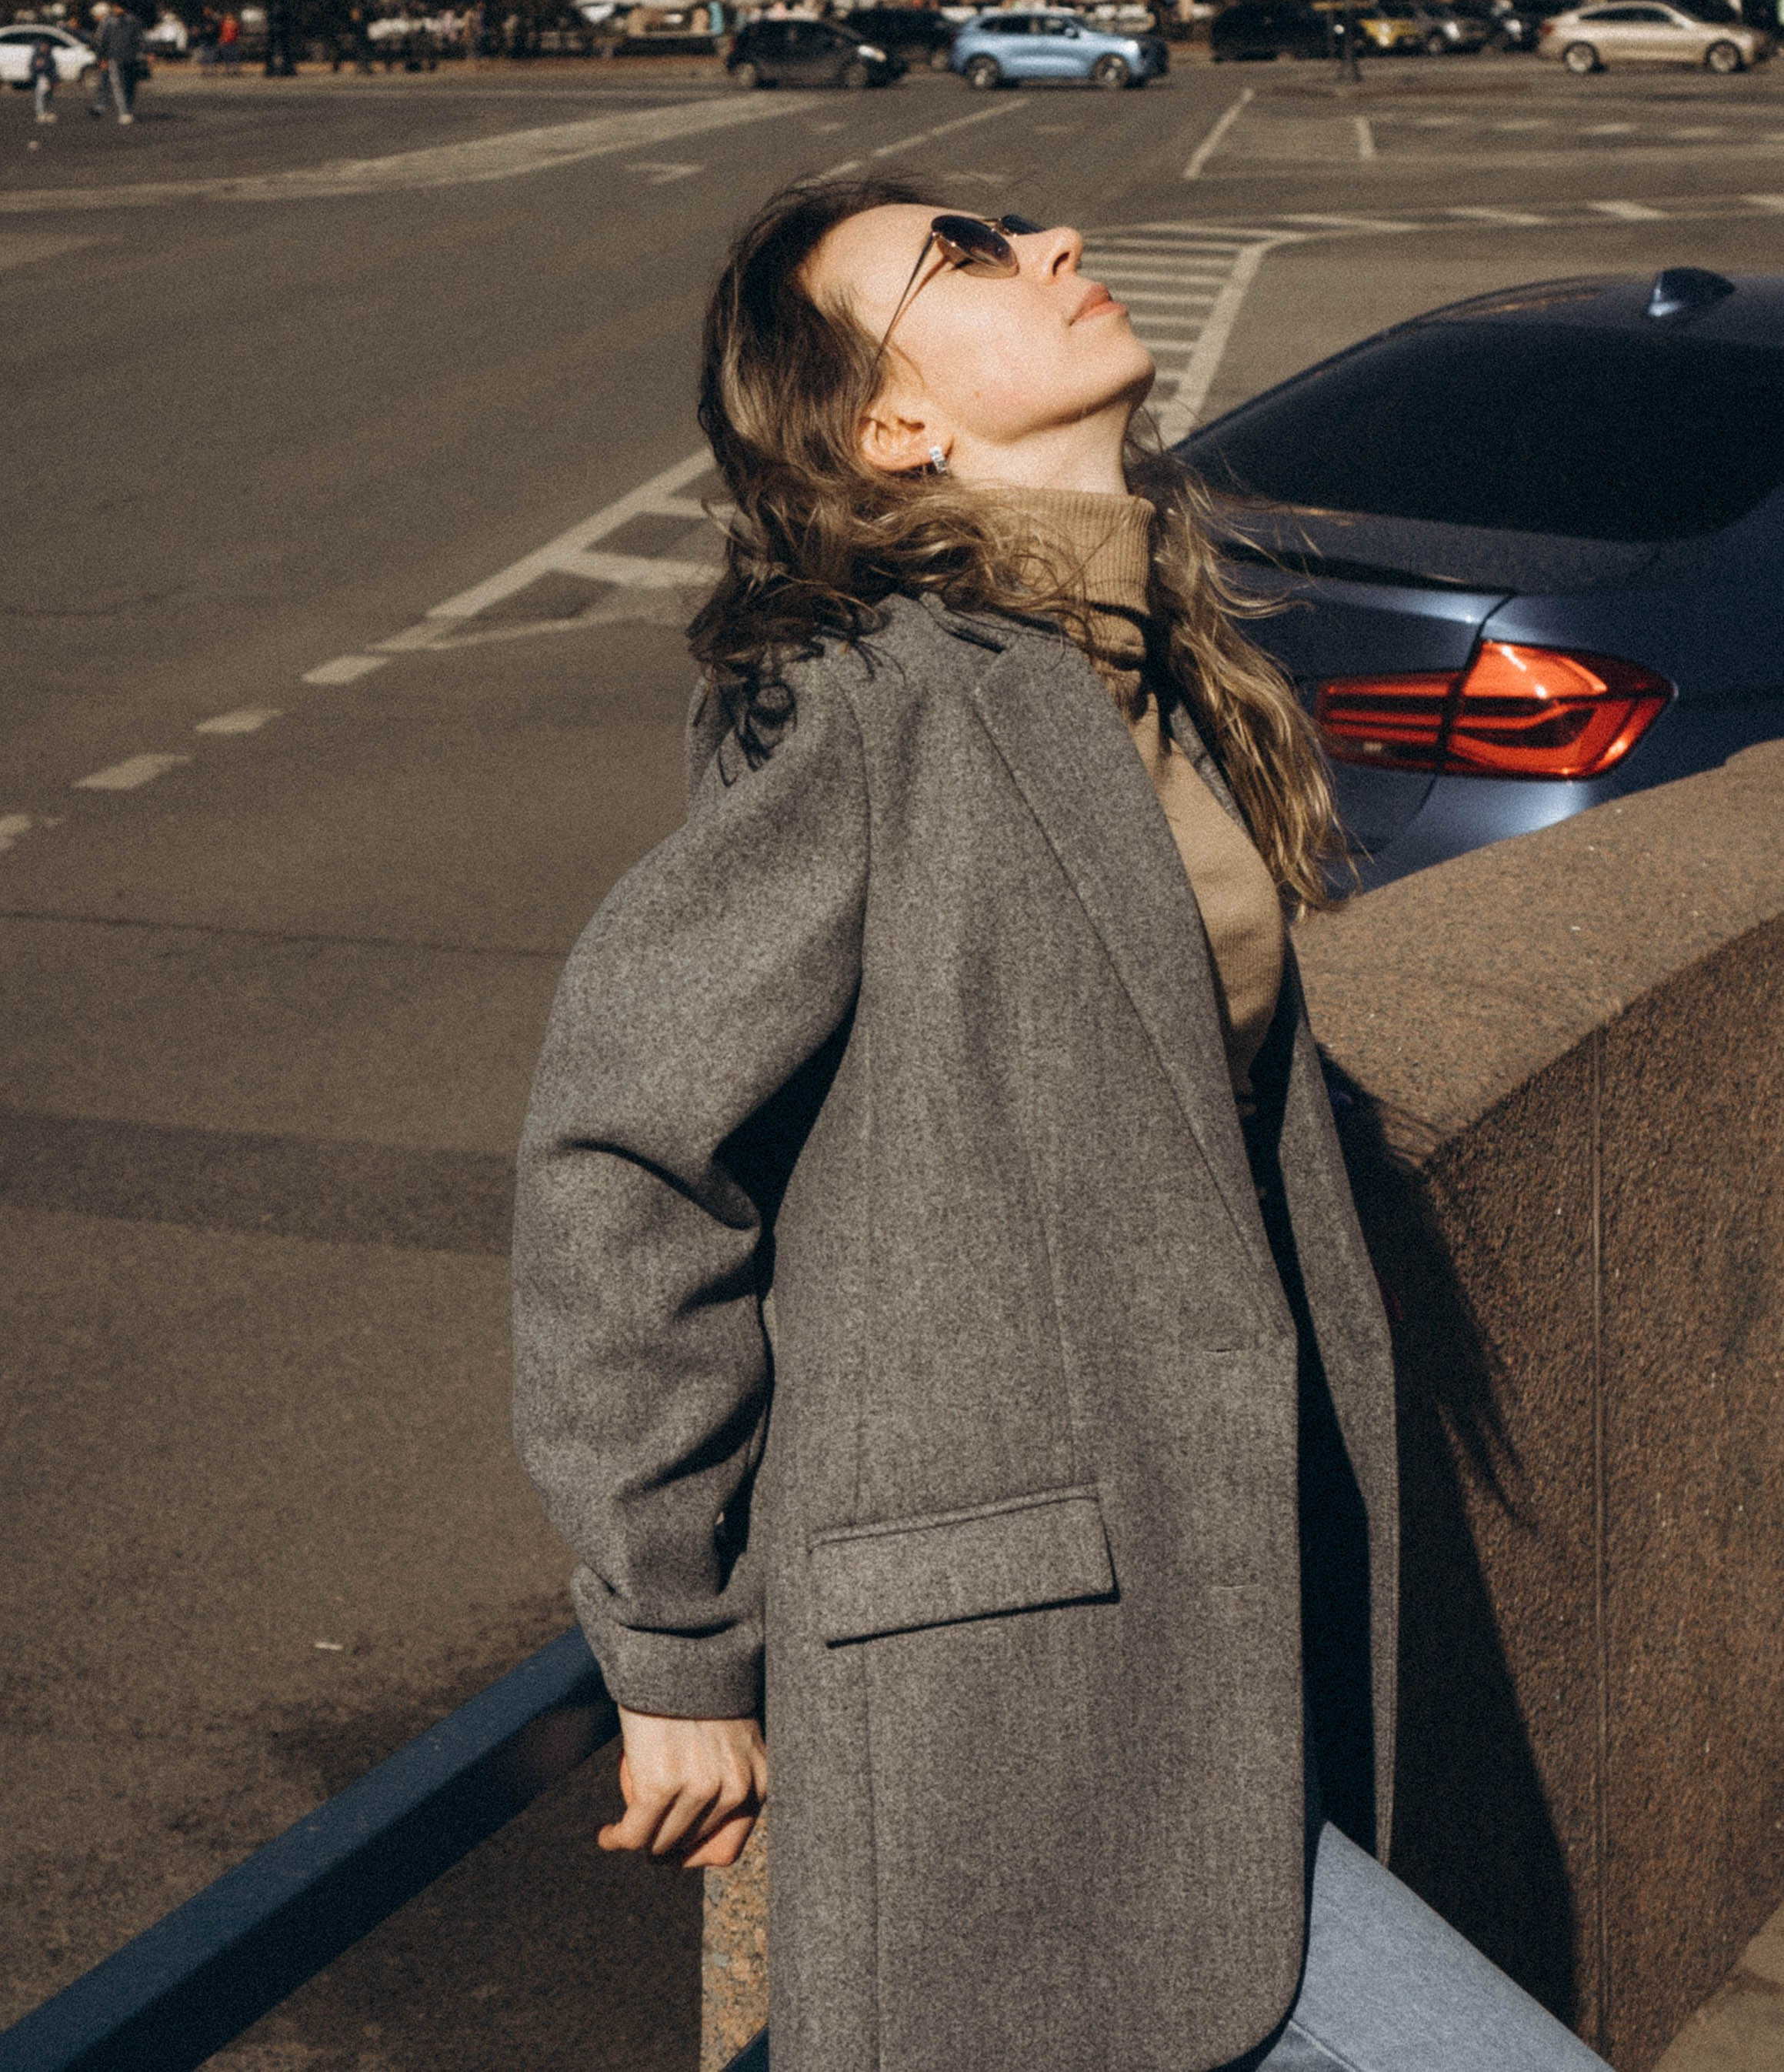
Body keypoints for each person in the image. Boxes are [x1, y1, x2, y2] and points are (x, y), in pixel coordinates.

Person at [513, 178, 1609, 2072]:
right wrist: (673, 1641)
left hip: (1216, 1628)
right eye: (968, 254)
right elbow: (624, 1152)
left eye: (1020, 224)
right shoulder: (865, 705)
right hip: (1002, 1680)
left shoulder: (1142, 662)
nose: (1055, 249)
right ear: (889, 426)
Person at [89, 2, 143, 125]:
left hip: (130, 58)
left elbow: (139, 38)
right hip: (114, 58)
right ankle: (123, 112)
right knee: (118, 86)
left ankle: (127, 110)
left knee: (129, 86)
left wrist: (146, 53)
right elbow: (101, 41)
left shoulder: (133, 21)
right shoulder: (109, 22)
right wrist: (102, 58)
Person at [28, 30, 58, 125]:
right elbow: (34, 68)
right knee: (40, 96)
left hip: (50, 78)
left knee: (49, 97)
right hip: (41, 78)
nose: (44, 48)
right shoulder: (37, 56)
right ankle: (40, 113)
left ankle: (47, 112)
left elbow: (53, 68)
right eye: (42, 46)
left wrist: (54, 79)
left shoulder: (50, 57)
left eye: (46, 46)